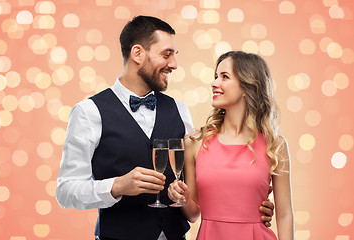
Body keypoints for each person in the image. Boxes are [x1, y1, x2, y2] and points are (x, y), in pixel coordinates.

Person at [55, 16, 274, 240]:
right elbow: (65, 191)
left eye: (174, 56)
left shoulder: (179, 110)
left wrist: (251, 207)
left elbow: (202, 186)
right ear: (138, 53)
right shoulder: (88, 112)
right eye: (166, 54)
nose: (174, 64)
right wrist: (117, 186)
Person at [167, 51, 294, 239]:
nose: (214, 83)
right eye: (216, 76)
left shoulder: (275, 144)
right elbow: (194, 214)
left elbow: (284, 214)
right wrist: (183, 198)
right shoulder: (195, 143)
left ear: (248, 85)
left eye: (224, 77)